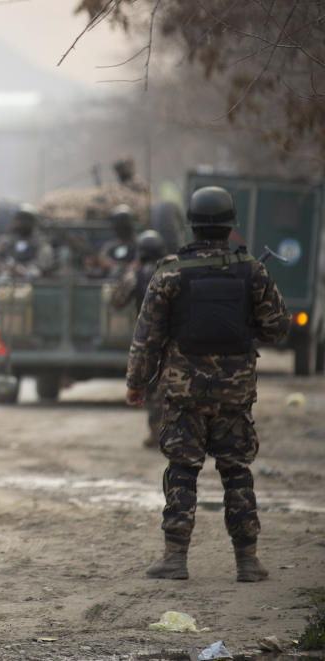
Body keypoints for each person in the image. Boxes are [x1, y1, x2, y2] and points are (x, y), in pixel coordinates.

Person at [125, 186, 290, 582]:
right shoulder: (252, 269)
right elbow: (278, 329)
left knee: (182, 470)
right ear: (231, 224)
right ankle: (248, 561)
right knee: (236, 472)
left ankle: (175, 559)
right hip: (235, 394)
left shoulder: (170, 271)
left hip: (184, 393)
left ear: (192, 225)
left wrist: (136, 383)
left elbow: (146, 336)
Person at [112, 229, 166, 448]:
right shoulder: (172, 272)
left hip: (148, 337)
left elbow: (117, 300)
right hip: (176, 336)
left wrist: (129, 271)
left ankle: (157, 433)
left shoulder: (136, 275)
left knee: (152, 386)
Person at [0, 203, 55, 279]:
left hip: (32, 279)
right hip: (6, 279)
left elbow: (43, 264)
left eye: (22, 220)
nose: (18, 223)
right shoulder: (5, 240)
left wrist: (25, 269)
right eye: (17, 220)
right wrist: (5, 268)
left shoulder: (39, 241)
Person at [86, 204, 138, 277]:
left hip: (132, 280)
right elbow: (103, 259)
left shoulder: (138, 245)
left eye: (121, 226)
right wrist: (113, 266)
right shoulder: (111, 246)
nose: (119, 229)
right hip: (111, 280)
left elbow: (138, 263)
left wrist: (125, 268)